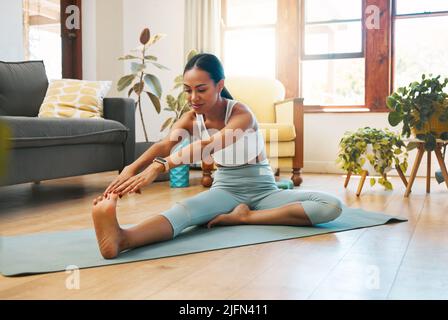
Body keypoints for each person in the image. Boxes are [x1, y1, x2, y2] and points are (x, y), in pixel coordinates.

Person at [92, 53, 343, 259]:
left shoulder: (241, 114)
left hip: (265, 191)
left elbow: (208, 145)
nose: (193, 98)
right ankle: (122, 237)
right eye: (188, 90)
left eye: (201, 89)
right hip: (225, 190)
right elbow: (165, 145)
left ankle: (246, 217)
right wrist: (131, 168)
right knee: (184, 212)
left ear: (219, 85)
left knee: (331, 206)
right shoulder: (192, 117)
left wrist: (160, 168)